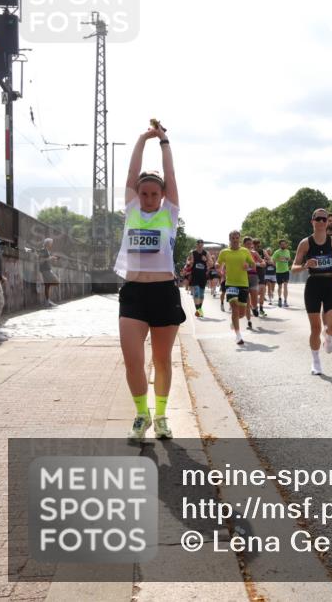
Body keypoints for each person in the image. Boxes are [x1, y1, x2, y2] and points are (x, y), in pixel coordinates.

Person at [114, 120, 186, 441]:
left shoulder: (169, 213)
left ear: (162, 195)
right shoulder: (131, 209)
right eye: (143, 193)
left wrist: (164, 141)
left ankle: (161, 416)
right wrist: (143, 138)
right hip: (133, 293)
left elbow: (170, 175)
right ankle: (141, 415)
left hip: (163, 292)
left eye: (154, 193)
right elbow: (132, 174)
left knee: (161, 360)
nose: (147, 198)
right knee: (133, 360)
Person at [291, 208, 332, 374]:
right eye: (318, 219)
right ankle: (315, 361)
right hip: (313, 284)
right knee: (315, 328)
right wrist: (305, 265)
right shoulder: (305, 243)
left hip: (329, 283)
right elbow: (293, 268)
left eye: (324, 219)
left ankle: (327, 336)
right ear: (312, 222)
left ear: (327, 222)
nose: (321, 221)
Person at [216, 231, 256, 346]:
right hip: (230, 283)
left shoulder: (245, 251)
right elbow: (218, 263)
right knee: (234, 308)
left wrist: (248, 266)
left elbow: (253, 264)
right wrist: (217, 266)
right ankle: (238, 336)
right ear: (229, 239)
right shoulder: (224, 252)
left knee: (242, 314)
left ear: (239, 239)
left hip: (243, 284)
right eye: (233, 238)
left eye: (237, 238)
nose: (235, 240)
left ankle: (234, 322)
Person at [189, 239, 210, 317]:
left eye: (201, 243)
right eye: (198, 243)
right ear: (196, 245)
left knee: (201, 294)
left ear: (203, 245)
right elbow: (189, 263)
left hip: (203, 276)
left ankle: (199, 310)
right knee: (196, 292)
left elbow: (211, 264)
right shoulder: (193, 253)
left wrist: (206, 260)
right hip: (195, 275)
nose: (200, 245)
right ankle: (198, 310)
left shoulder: (206, 253)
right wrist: (190, 263)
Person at [38, 238, 60, 307]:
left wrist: (53, 259)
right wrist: (50, 258)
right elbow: (41, 260)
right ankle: (48, 301)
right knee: (57, 282)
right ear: (47, 243)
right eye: (51, 243)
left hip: (46, 269)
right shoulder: (43, 250)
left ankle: (47, 302)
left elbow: (46, 260)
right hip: (46, 270)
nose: (52, 244)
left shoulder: (47, 251)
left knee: (47, 285)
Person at [273, 239, 292, 307]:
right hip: (279, 271)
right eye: (282, 244)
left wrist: (287, 259)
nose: (283, 245)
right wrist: (276, 264)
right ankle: (279, 299)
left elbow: (289, 259)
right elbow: (273, 260)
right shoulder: (277, 252)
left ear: (286, 245)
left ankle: (285, 301)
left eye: (284, 244)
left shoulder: (287, 251)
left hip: (286, 271)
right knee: (280, 286)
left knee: (285, 285)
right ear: (280, 245)